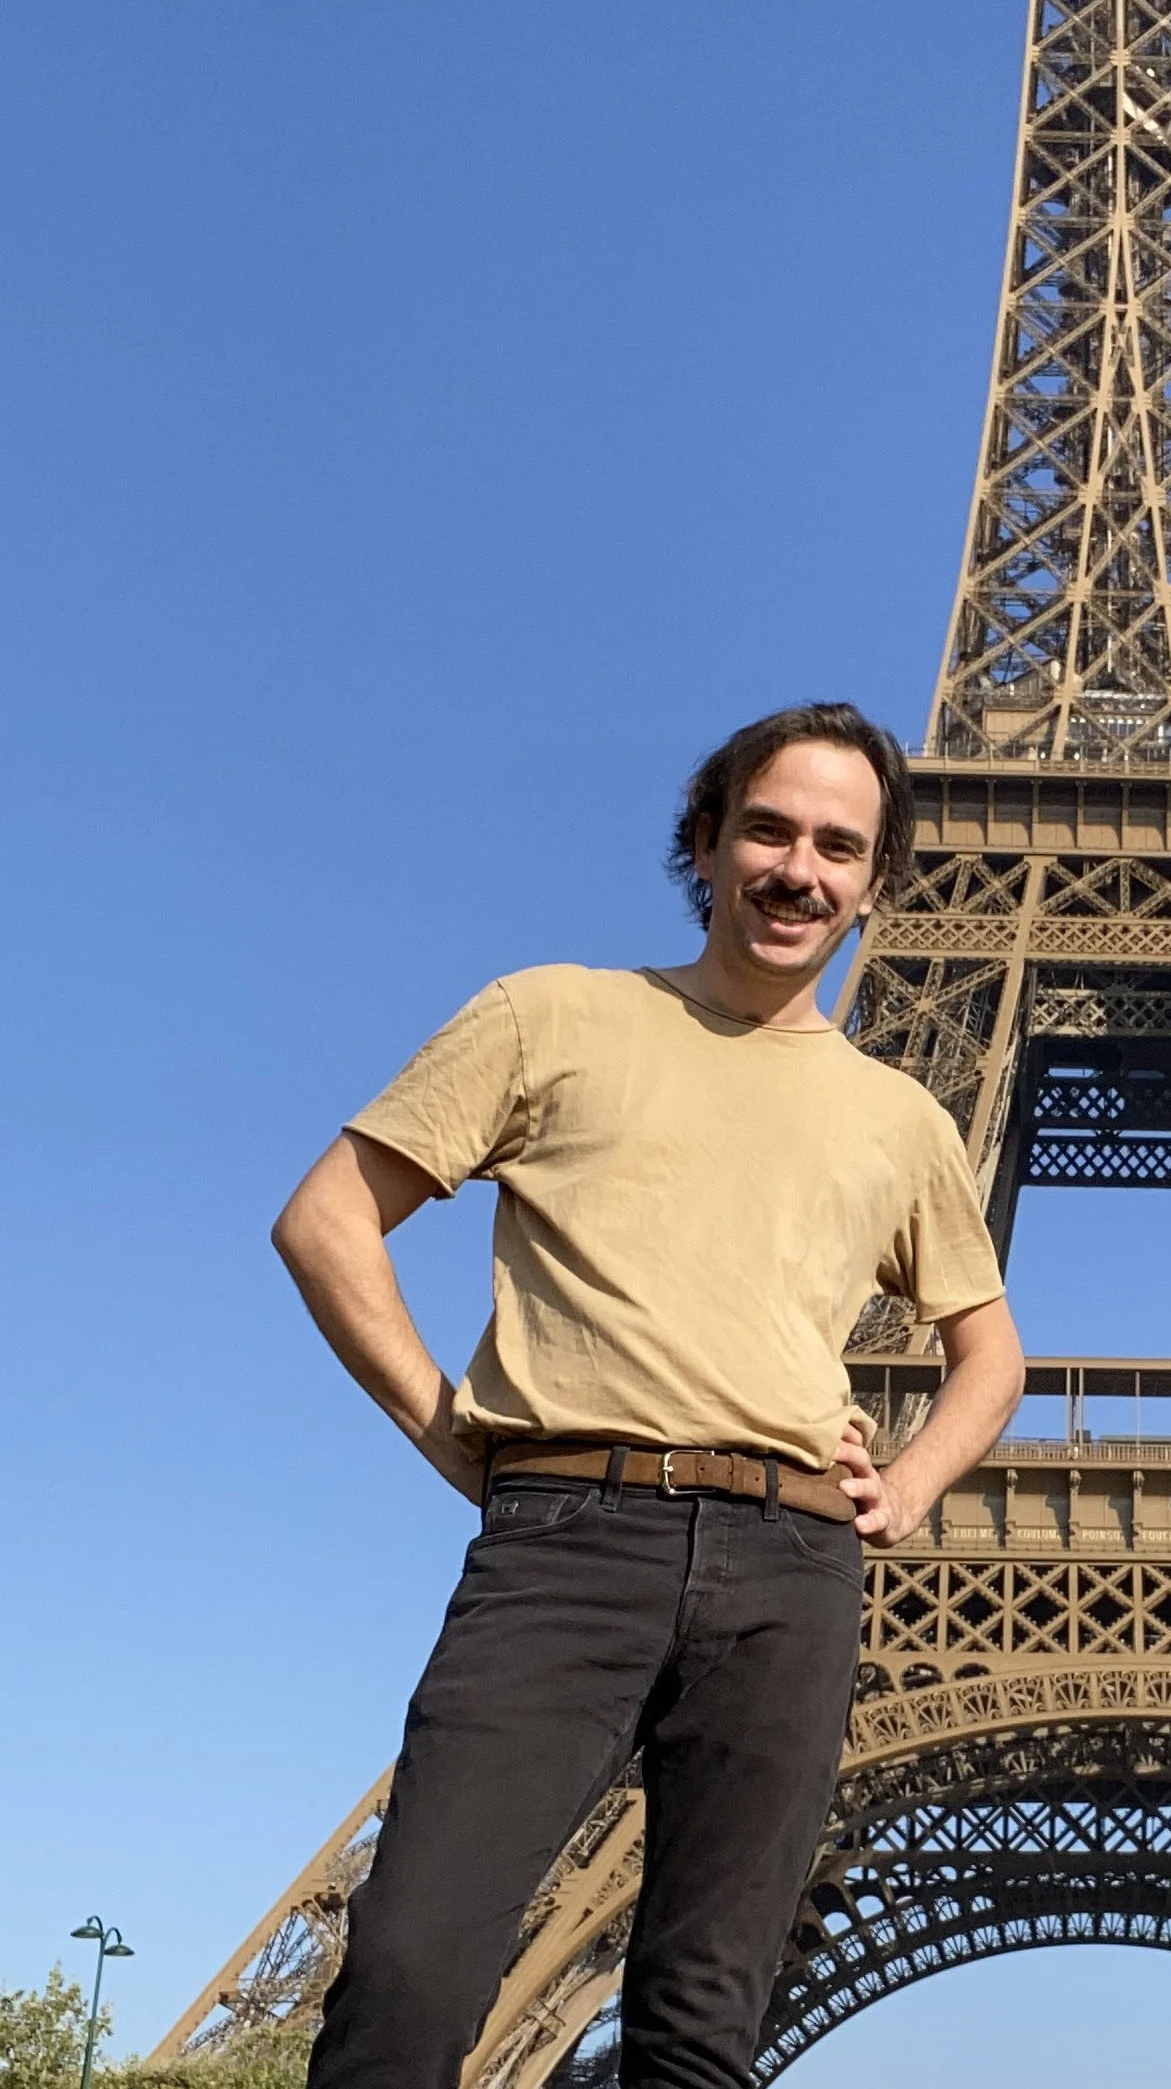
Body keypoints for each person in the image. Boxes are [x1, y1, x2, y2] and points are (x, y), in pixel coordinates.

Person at [272, 701, 1025, 2089]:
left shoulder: (900, 1114)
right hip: (567, 1539)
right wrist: (446, 1423)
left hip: (791, 1560)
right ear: (708, 840)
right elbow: (325, 1220)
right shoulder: (552, 1013)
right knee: (409, 1973)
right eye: (772, 829)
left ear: (874, 882)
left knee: (702, 2021)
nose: (801, 868)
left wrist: (911, 1482)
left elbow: (992, 1350)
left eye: (839, 846)